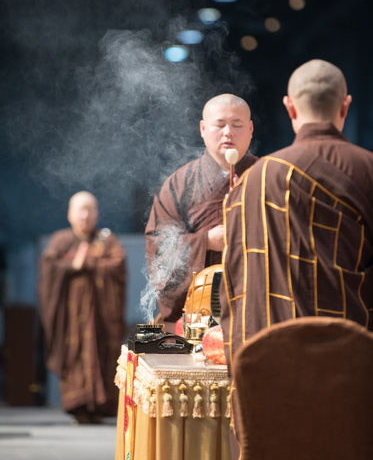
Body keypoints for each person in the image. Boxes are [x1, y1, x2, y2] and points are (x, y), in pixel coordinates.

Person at [220, 59, 373, 372]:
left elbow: (237, 282)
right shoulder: (368, 170)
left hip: (274, 363)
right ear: (345, 106)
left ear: (290, 108)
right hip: (355, 361)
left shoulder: (256, 179)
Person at [145, 93, 258, 328]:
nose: (228, 132)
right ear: (203, 129)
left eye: (237, 125)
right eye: (219, 125)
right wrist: (205, 241)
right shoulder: (179, 183)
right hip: (195, 315)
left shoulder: (267, 176)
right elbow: (159, 246)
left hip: (255, 309)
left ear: (250, 129)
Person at [38, 191, 127, 424]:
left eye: (90, 210)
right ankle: (77, 408)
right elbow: (49, 269)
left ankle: (100, 407)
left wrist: (88, 263)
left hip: (101, 319)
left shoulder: (107, 240)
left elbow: (118, 266)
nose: (85, 215)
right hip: (70, 321)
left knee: (102, 354)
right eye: (80, 209)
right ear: (69, 214)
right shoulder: (61, 240)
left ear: (97, 214)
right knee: (75, 357)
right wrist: (72, 266)